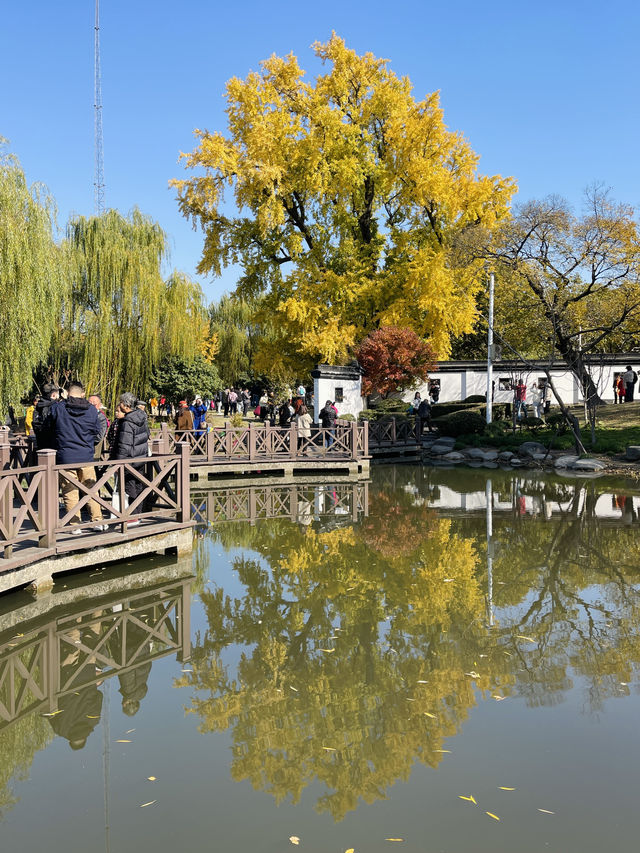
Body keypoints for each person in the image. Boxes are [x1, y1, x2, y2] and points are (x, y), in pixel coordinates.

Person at [49, 381, 104, 534]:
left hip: (66, 456)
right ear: (82, 393)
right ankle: (97, 521)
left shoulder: (59, 408)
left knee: (69, 492)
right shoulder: (92, 410)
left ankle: (75, 525)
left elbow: (49, 426)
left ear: (67, 392)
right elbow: (97, 431)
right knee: (91, 489)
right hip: (86, 455)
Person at [109, 391, 150, 524]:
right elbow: (146, 436)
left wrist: (118, 463)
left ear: (126, 405)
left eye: (121, 402)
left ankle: (132, 517)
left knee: (129, 487)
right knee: (138, 487)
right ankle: (137, 514)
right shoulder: (142, 417)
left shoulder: (127, 422)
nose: (119, 405)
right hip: (140, 458)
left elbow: (124, 445)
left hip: (129, 461)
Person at [32, 382, 60, 449]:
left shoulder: (38, 407)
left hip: (40, 444)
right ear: (53, 395)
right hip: (54, 446)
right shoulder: (56, 407)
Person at [88, 394, 109, 459]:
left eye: (94, 405)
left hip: (93, 451)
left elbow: (99, 437)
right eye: (89, 404)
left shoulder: (101, 418)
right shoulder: (83, 415)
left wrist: (85, 438)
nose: (91, 406)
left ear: (99, 405)